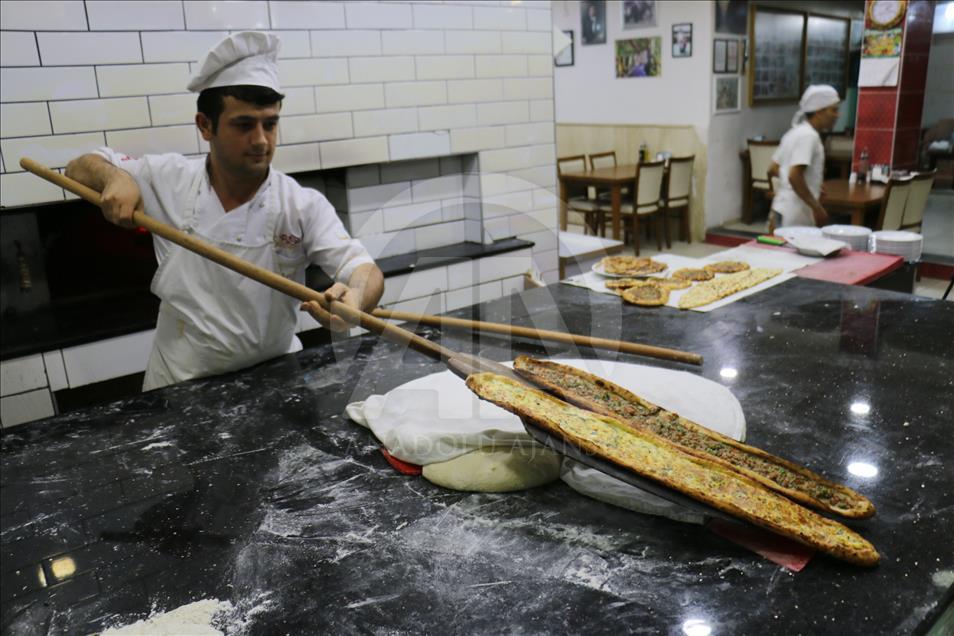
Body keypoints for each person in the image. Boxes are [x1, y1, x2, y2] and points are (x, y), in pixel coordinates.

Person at [65, 32, 384, 391]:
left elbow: (364, 269)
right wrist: (115, 177)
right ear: (205, 126)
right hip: (182, 384)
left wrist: (356, 298)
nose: (262, 140)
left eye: (270, 123)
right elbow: (79, 167)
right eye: (244, 125)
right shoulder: (168, 179)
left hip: (275, 379)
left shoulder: (300, 204)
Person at [767, 85, 841, 231]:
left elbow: (773, 168)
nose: (837, 115)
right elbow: (794, 175)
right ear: (819, 112)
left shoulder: (794, 133)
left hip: (781, 207)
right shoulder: (809, 137)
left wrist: (811, 182)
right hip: (795, 214)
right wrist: (817, 207)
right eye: (834, 110)